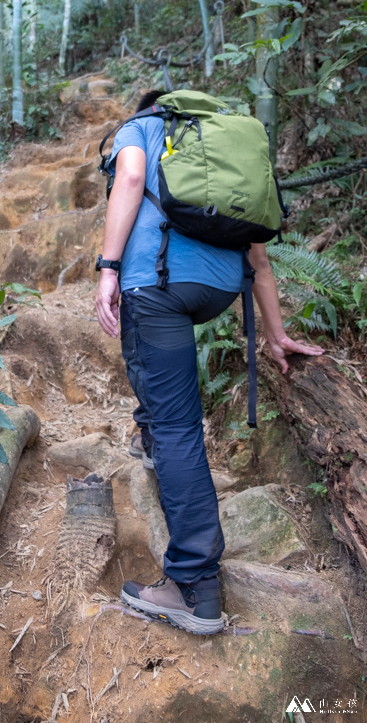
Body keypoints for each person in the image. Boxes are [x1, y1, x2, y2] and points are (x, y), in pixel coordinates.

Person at [94, 90, 324, 635]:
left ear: (149, 108)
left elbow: (129, 180)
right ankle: (149, 436)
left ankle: (194, 586)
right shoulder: (220, 158)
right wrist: (275, 334)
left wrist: (107, 268)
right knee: (160, 389)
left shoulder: (144, 129)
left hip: (159, 282)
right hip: (217, 288)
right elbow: (259, 256)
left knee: (177, 423)